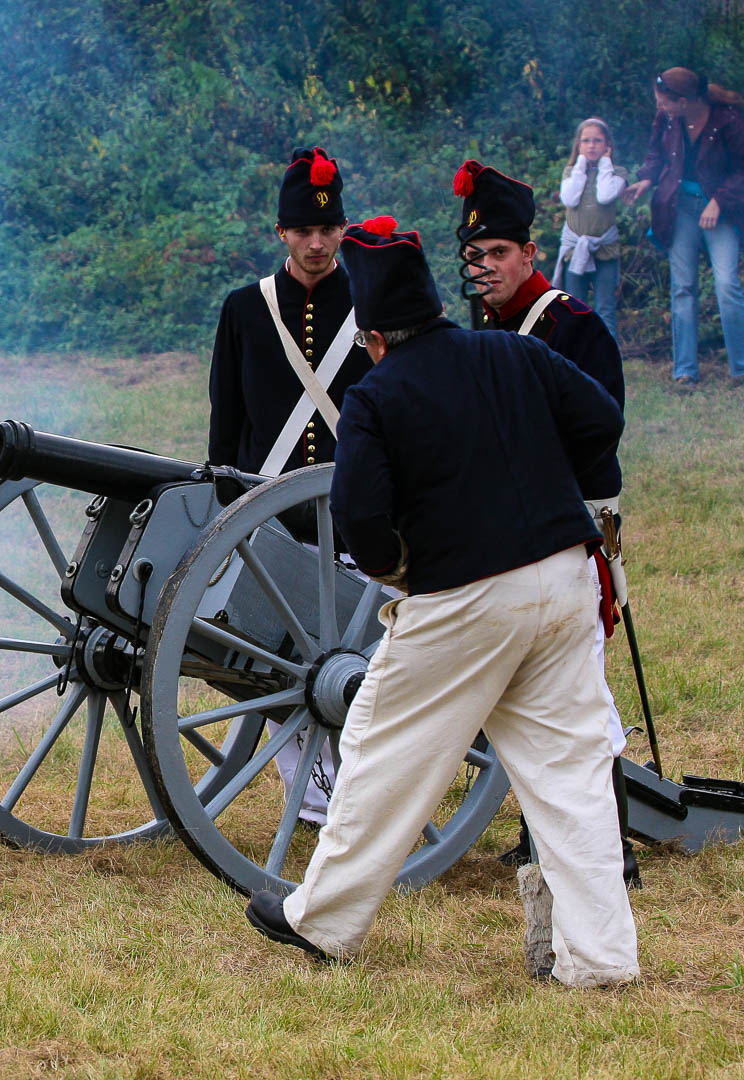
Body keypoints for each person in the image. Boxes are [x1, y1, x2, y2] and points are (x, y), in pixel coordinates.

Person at [242, 214, 638, 988]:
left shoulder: (378, 394)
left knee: (383, 748)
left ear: (376, 337)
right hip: (563, 580)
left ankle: (323, 921)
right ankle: (602, 958)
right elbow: (603, 421)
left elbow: (359, 517)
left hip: (463, 597)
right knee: (572, 773)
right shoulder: (517, 351)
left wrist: (396, 565)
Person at [457, 158, 637, 887]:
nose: (486, 267)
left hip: (563, 533)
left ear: (530, 253)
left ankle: (610, 850)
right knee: (522, 698)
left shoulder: (572, 325)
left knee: (577, 702)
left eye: (497, 253)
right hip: (499, 536)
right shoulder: (479, 327)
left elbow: (599, 431)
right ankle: (541, 834)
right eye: (474, 257)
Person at [207, 146, 373, 826]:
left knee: (351, 659)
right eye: (302, 230)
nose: (315, 243)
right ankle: (310, 799)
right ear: (281, 233)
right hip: (272, 519)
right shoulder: (246, 309)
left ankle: (355, 788)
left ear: (342, 231)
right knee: (274, 661)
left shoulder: (370, 304)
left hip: (354, 511)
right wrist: (224, 512)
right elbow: (228, 421)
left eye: (327, 230)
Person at [629, 67, 744, 386]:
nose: (659, 107)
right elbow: (656, 155)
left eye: (664, 102)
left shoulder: (727, 120)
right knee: (683, 287)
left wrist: (720, 200)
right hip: (679, 207)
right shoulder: (666, 118)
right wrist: (646, 180)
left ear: (683, 101)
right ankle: (685, 371)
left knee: (726, 283)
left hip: (721, 210)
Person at [553, 119, 630, 341]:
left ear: (607, 145)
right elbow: (570, 198)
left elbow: (605, 195)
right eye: (586, 141)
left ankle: (608, 363)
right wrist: (579, 167)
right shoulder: (571, 172)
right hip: (575, 249)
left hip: (605, 250)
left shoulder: (617, 173)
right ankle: (576, 362)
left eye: (598, 141)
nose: (592, 146)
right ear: (578, 145)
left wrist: (605, 163)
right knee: (574, 309)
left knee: (605, 309)